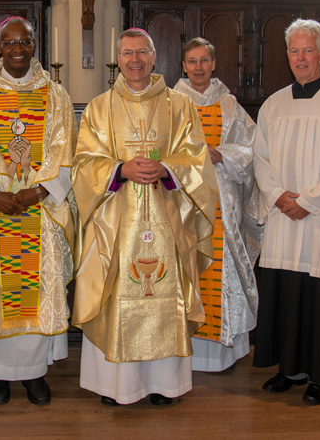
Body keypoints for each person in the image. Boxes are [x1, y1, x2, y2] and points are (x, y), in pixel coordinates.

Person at [71, 28, 218, 406]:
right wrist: (119, 170)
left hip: (166, 218)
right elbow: (83, 164)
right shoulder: (99, 107)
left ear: (155, 58)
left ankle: (164, 385)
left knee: (164, 296)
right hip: (115, 221)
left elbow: (197, 158)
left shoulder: (179, 105)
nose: (134, 60)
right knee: (118, 293)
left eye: (141, 53)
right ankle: (116, 385)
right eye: (126, 53)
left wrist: (167, 169)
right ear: (117, 59)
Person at [0, 17, 77, 406]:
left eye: (25, 43)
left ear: (35, 46)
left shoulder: (55, 94)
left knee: (38, 290)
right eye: (9, 43)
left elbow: (67, 151)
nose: (17, 50)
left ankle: (33, 374)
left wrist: (40, 192)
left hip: (38, 209)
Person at [252, 19, 320, 405]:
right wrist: (281, 196)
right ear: (287, 56)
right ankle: (289, 369)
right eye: (295, 51)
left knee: (319, 297)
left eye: (308, 50)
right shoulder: (273, 104)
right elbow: (259, 159)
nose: (301, 57)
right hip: (285, 217)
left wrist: (307, 202)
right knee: (287, 293)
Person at [173, 37, 262, 372]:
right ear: (183, 66)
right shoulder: (171, 102)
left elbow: (252, 148)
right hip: (180, 200)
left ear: (213, 64)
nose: (198, 67)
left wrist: (220, 153)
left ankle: (221, 352)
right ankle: (181, 347)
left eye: (204, 60)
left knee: (220, 270)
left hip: (221, 202)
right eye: (192, 61)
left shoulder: (229, 105)